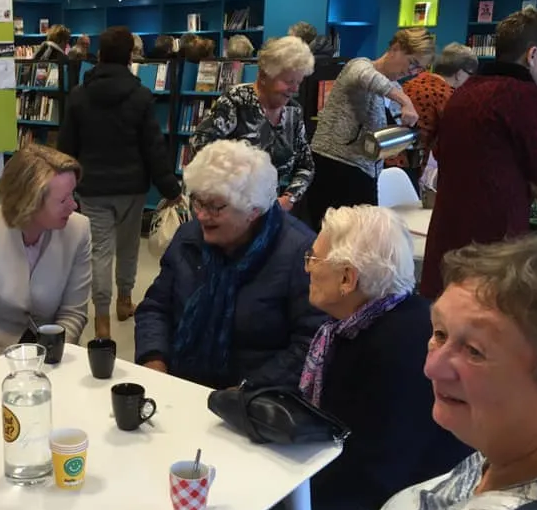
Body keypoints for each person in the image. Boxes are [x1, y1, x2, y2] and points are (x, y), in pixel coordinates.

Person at [153, 237, 537, 510]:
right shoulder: (505, 446)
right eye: (439, 334)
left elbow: (373, 466)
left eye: (475, 352)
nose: (431, 367)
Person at [298, 205, 472, 510]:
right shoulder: (364, 323)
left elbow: (376, 470)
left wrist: (290, 479)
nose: (307, 270)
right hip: (378, 485)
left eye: (313, 260)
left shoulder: (400, 345)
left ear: (348, 278)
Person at [135, 139, 325, 390]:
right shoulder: (189, 238)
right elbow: (155, 308)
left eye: (216, 206)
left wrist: (247, 391)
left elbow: (311, 344)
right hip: (179, 387)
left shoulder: (300, 253)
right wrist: (154, 362)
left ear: (253, 210)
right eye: (198, 202)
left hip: (253, 400)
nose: (201, 215)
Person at [421, 8, 537, 299]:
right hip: (494, 237)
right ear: (532, 55)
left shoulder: (466, 90)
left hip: (448, 231)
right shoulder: (525, 94)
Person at [58, 26, 180, 339]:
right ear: (129, 56)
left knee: (99, 251)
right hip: (132, 187)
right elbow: (153, 146)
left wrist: (62, 185)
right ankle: (125, 301)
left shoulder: (78, 96)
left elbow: (67, 146)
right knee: (127, 248)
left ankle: (101, 319)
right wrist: (170, 188)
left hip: (92, 188)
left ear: (98, 55)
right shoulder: (140, 96)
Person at [0, 145, 91, 363]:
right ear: (30, 204)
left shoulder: (78, 230)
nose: (73, 206)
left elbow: (73, 314)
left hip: (55, 357)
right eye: (63, 200)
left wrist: (51, 360)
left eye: (73, 195)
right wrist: (6, 372)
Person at [307, 27, 434, 227]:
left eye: (418, 69)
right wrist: (405, 101)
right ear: (396, 48)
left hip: (366, 172)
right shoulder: (358, 67)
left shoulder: (396, 90)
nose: (410, 72)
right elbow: (369, 78)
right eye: (412, 63)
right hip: (333, 167)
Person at [191, 36, 315, 210]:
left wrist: (289, 198)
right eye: (289, 81)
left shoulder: (294, 112)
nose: (295, 89)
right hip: (227, 208)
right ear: (264, 76)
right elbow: (200, 144)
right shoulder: (236, 101)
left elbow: (306, 165)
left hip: (272, 209)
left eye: (298, 82)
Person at [386, 42, 478, 191]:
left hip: (384, 156)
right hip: (407, 163)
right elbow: (448, 145)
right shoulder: (448, 97)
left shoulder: (413, 82)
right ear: (460, 73)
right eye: (471, 75)